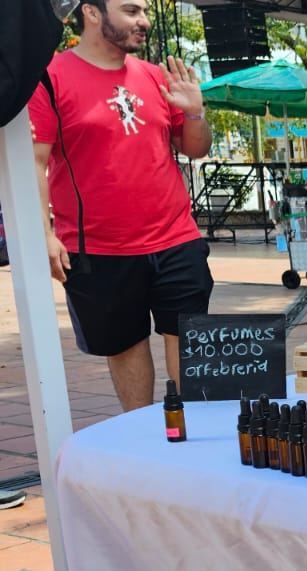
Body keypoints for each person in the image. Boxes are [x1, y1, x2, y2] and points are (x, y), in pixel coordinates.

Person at [30, 0, 214, 412]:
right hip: (99, 246)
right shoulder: (50, 77)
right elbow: (34, 162)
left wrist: (195, 113)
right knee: (125, 345)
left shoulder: (155, 76)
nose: (143, 21)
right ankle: (141, 436)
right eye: (131, 11)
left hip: (176, 237)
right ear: (92, 13)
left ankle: (193, 434)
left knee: (189, 338)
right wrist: (44, 233)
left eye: (144, 11)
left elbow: (195, 148)